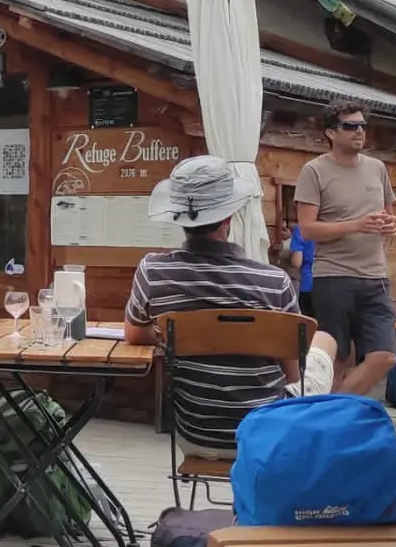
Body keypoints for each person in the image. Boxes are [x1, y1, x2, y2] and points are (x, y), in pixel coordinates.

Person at [124, 157, 339, 459]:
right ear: (229, 215)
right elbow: (293, 374)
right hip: (265, 435)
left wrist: (175, 333)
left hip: (195, 434)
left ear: (178, 217)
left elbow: (134, 333)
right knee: (325, 340)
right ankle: (318, 444)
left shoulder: (154, 272)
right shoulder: (273, 282)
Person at [293, 100, 396, 396]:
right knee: (336, 360)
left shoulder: (377, 168)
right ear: (331, 132)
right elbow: (307, 229)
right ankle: (332, 415)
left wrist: (390, 226)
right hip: (333, 278)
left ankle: (332, 407)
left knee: (385, 356)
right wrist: (356, 225)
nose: (359, 131)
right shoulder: (314, 170)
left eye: (362, 125)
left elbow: (388, 216)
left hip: (375, 277)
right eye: (351, 126)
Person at [285, 216, 315, 318]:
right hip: (330, 283)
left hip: (307, 285)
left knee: (308, 323)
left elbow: (296, 263)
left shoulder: (301, 229)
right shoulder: (332, 226)